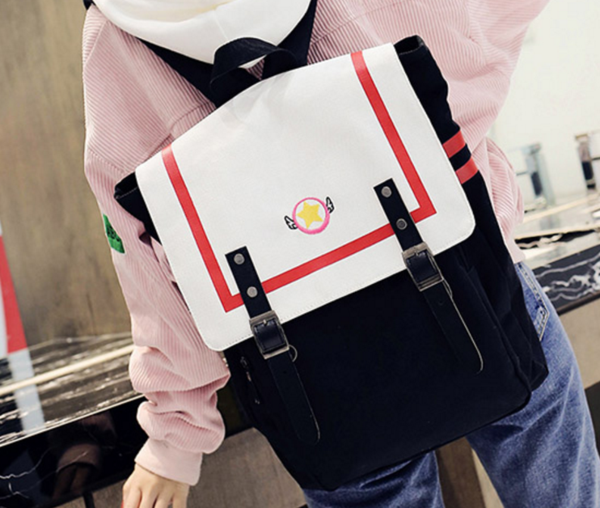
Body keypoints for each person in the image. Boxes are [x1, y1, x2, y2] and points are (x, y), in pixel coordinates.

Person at [81, 1, 600, 507]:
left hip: (311, 373)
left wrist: (176, 435)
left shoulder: (115, 34)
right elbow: (468, 41)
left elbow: (141, 250)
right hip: (475, 285)